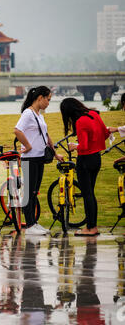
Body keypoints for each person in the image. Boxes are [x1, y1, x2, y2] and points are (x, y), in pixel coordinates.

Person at [14, 86, 63, 235]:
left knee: (34, 192)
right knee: (29, 193)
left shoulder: (39, 115)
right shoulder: (28, 113)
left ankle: (33, 223)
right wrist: (27, 146)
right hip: (29, 158)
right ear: (40, 98)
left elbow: (46, 136)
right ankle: (29, 226)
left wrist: (55, 154)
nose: (48, 103)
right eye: (48, 99)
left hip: (40, 158)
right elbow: (17, 130)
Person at [60, 98, 110, 236]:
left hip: (85, 160)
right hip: (97, 158)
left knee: (87, 194)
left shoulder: (80, 121)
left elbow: (84, 146)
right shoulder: (94, 114)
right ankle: (93, 226)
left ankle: (90, 228)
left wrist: (74, 146)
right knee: (91, 193)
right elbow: (105, 134)